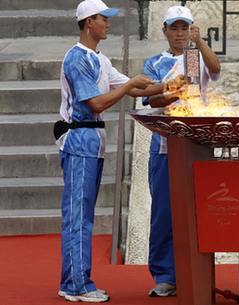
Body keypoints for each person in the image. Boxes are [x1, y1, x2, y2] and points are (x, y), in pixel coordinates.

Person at [56, 0, 157, 302]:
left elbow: (135, 87)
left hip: (93, 141)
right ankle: (75, 284)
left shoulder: (100, 59)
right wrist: (130, 87)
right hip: (79, 141)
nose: (108, 23)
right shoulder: (76, 59)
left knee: (84, 214)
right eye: (103, 18)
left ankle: (76, 280)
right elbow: (97, 103)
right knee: (78, 216)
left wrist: (170, 86)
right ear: (89, 22)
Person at [142, 5, 221, 297]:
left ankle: (197, 271)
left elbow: (215, 70)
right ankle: (166, 275)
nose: (179, 33)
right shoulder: (155, 63)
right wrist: (172, 91)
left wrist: (199, 44)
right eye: (174, 28)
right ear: (164, 30)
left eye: (184, 28)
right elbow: (149, 99)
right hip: (165, 145)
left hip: (196, 144)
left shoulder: (195, 58)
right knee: (164, 213)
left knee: (199, 212)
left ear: (191, 29)